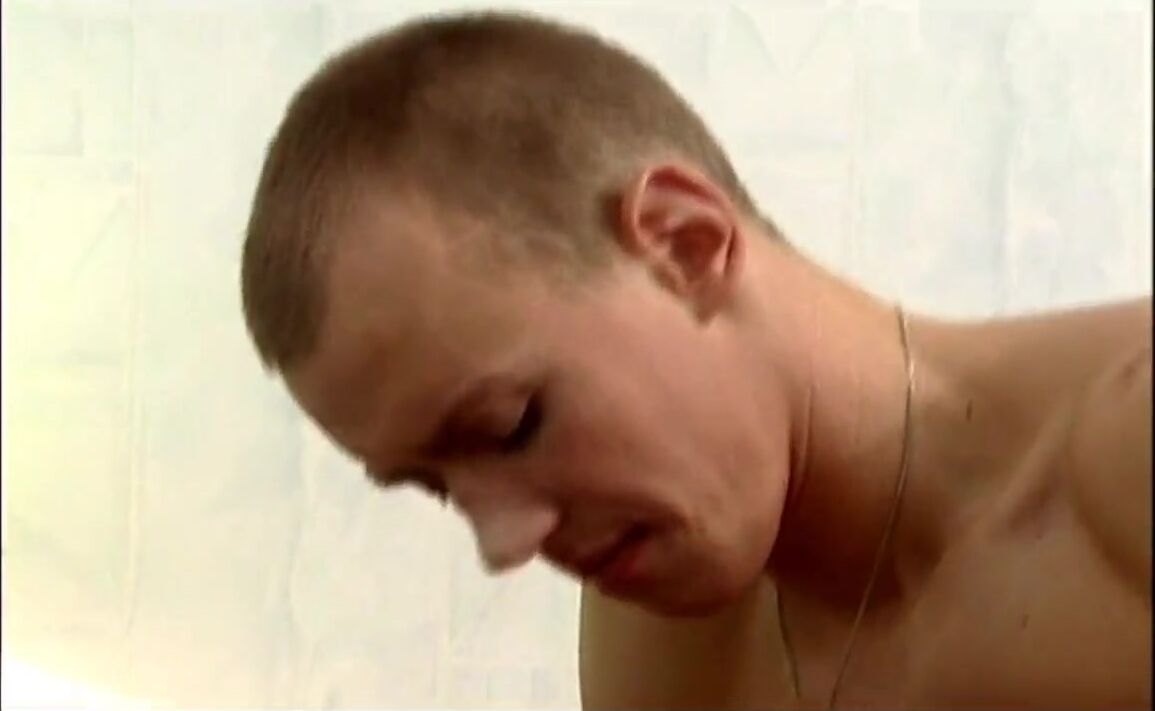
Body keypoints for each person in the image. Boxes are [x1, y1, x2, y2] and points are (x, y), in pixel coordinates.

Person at [239, 10, 1151, 710]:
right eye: (439, 486)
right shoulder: (663, 629)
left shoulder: (1122, 462)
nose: (503, 541)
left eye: (511, 426)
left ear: (685, 243)